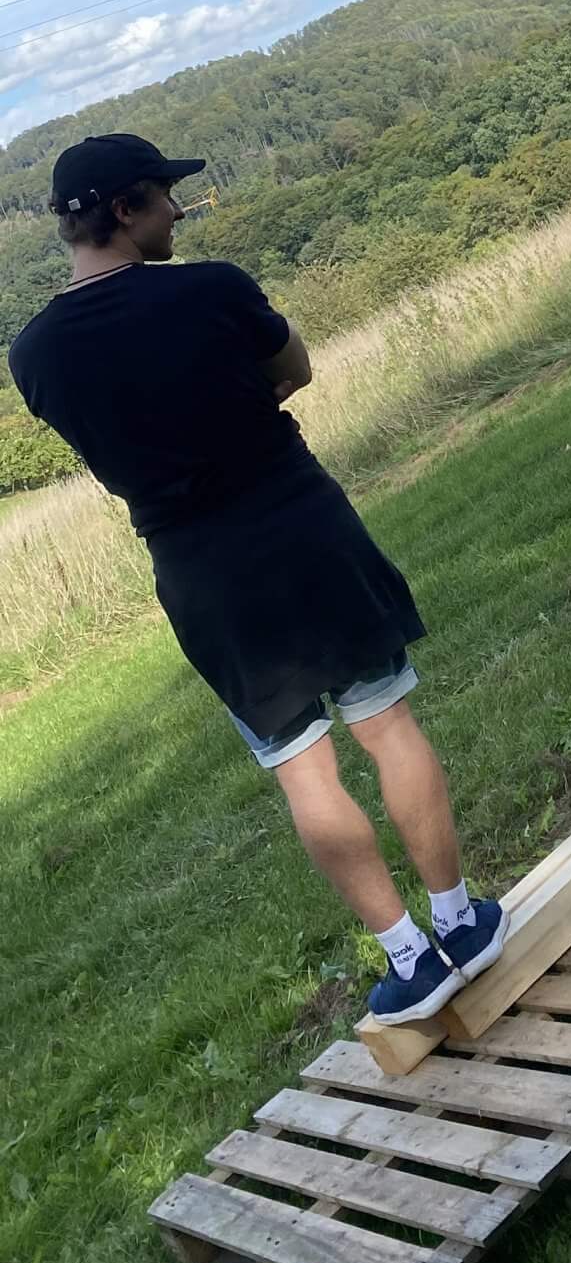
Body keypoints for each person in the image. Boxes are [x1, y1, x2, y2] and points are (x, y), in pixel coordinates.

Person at [8, 135, 509, 1027]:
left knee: (301, 769)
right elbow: (296, 370)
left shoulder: (34, 355)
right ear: (123, 210)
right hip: (302, 528)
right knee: (387, 726)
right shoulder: (213, 288)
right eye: (162, 197)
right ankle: (460, 921)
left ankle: (406, 958)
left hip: (203, 577)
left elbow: (111, 448)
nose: (175, 213)